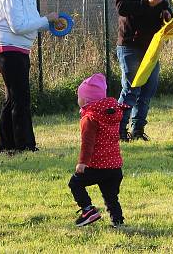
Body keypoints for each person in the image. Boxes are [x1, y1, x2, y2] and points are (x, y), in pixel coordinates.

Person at [0, 0, 58, 154]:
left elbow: (32, 22)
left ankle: (7, 145)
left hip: (20, 50)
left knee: (13, 98)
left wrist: (53, 24)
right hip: (7, 50)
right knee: (21, 98)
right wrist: (46, 19)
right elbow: (18, 26)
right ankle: (25, 145)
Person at [115, 0, 172, 141]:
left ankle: (137, 130)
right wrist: (145, 2)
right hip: (130, 45)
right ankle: (119, 131)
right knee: (131, 89)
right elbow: (122, 7)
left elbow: (165, 8)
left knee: (148, 90)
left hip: (152, 45)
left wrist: (167, 14)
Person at [68, 73, 129, 228]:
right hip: (115, 167)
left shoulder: (90, 117)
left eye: (79, 96)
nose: (78, 99)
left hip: (98, 166)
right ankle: (118, 221)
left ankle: (88, 211)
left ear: (86, 100)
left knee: (75, 183)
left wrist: (82, 163)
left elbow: (87, 143)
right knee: (111, 197)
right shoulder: (112, 113)